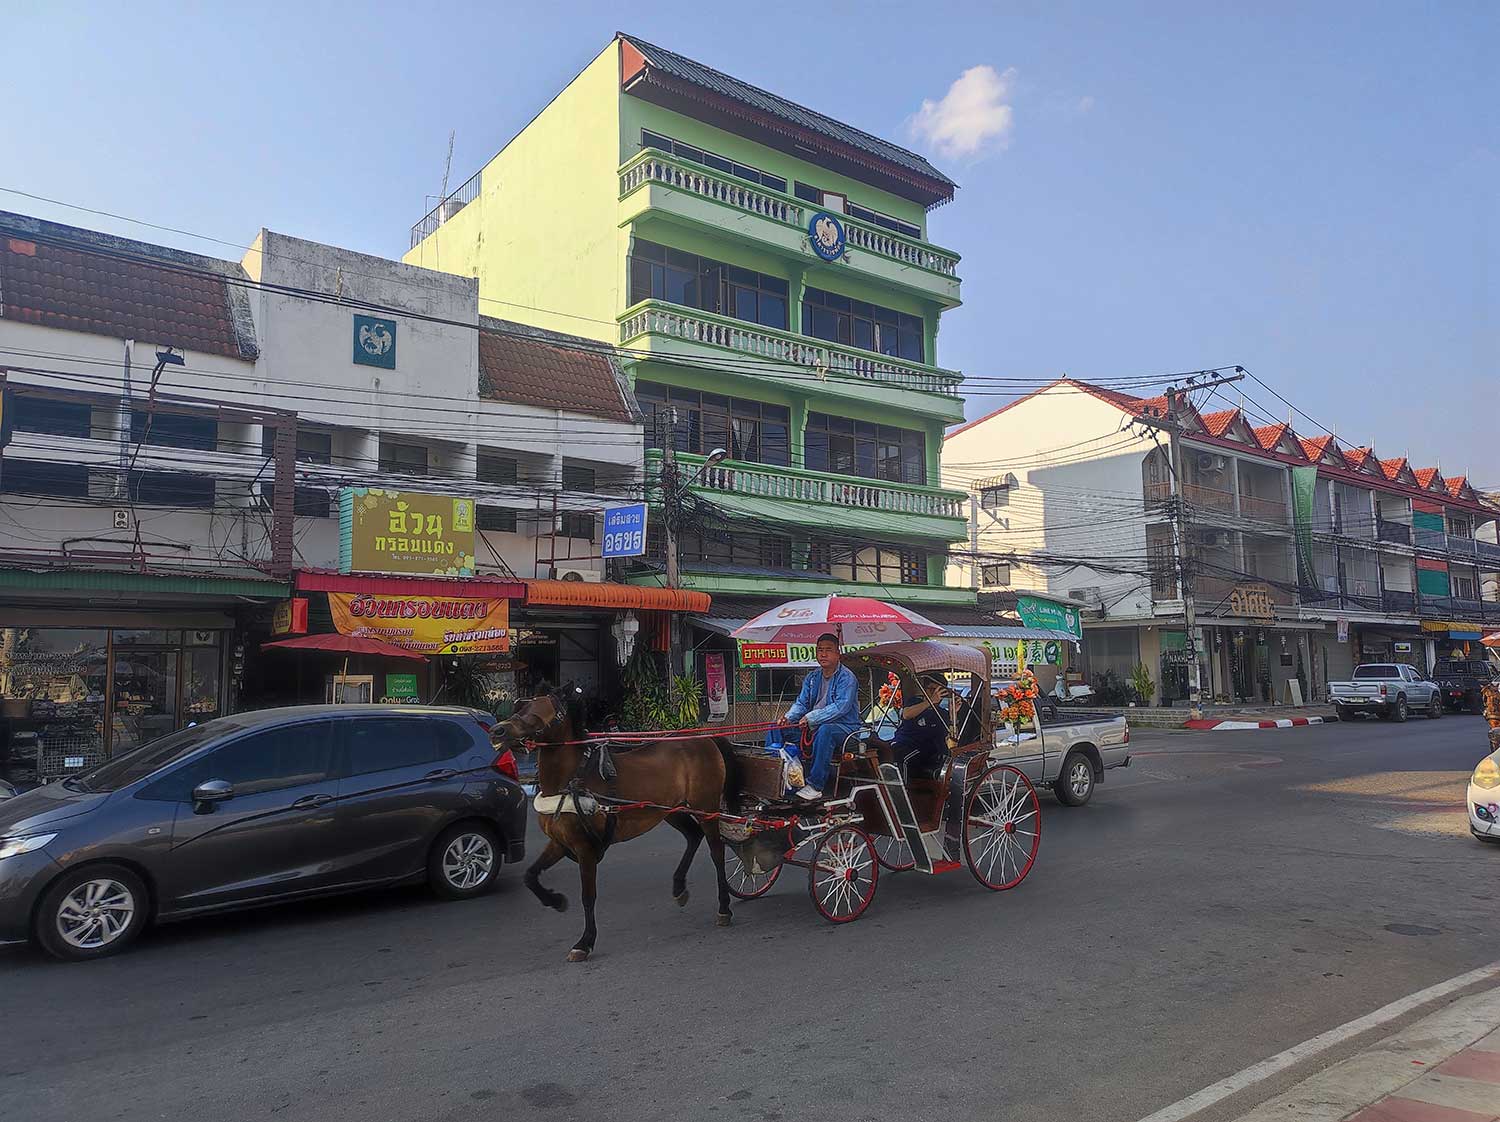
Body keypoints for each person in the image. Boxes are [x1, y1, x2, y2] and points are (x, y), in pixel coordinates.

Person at [783, 633, 861, 801]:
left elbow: (841, 707)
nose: (823, 654)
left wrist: (811, 718)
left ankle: (816, 785)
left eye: (828, 650)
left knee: (826, 730)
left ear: (837, 653)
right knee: (779, 729)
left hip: (845, 729)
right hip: (814, 727)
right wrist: (789, 717)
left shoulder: (847, 678)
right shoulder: (812, 677)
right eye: (820, 650)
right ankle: (782, 775)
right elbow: (802, 703)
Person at [893, 674, 952, 776]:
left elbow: (951, 737)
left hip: (924, 749)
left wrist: (953, 714)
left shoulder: (942, 713)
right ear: (924, 689)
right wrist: (930, 701)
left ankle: (903, 790)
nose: (935, 694)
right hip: (903, 743)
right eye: (932, 689)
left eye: (939, 691)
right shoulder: (915, 702)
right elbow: (906, 715)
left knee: (903, 759)